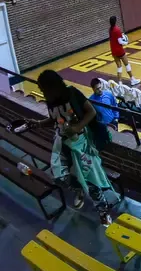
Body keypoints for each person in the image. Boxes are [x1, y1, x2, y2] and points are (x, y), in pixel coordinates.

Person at [26, 70, 117, 224]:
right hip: (62, 140)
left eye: (44, 89)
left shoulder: (72, 93)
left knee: (90, 178)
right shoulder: (51, 100)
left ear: (54, 87)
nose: (43, 92)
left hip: (81, 140)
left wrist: (77, 127)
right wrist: (39, 124)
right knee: (59, 177)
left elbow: (91, 111)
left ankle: (103, 210)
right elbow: (54, 118)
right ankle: (79, 189)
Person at [107, 16, 139, 86]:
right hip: (119, 50)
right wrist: (126, 42)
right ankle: (132, 79)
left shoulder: (110, 29)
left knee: (119, 67)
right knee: (127, 64)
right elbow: (120, 41)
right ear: (115, 21)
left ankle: (120, 83)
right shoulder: (117, 29)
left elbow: (115, 38)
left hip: (113, 51)